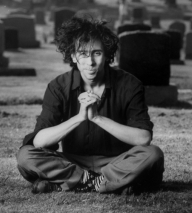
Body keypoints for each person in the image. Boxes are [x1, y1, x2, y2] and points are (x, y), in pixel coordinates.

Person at [17, 17, 164, 194]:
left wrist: (97, 118)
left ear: (107, 54)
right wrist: (79, 118)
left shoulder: (130, 85)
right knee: (25, 156)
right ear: (73, 56)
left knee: (153, 154)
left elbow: (143, 139)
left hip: (118, 162)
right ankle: (101, 182)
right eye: (83, 54)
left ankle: (72, 183)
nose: (90, 62)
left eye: (97, 53)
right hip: (71, 163)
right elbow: (40, 141)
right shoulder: (58, 87)